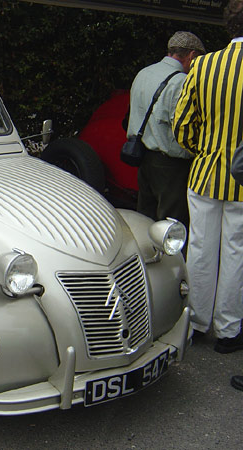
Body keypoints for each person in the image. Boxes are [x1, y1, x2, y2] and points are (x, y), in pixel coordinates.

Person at [173, 0, 243, 354]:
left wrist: (203, 150)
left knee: (200, 247)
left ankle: (196, 322)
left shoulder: (203, 64)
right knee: (237, 251)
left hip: (205, 172)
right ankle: (228, 331)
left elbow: (181, 124)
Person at [127, 31, 206, 230]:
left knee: (145, 219)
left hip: (143, 156)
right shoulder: (181, 82)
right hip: (170, 164)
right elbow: (182, 125)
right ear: (192, 56)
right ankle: (168, 262)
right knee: (170, 225)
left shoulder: (144, 72)